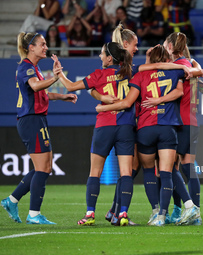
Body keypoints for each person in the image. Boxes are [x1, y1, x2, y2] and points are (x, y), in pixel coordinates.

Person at [95, 45, 186, 226]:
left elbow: (128, 102)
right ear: (166, 59)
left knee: (147, 171)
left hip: (145, 128)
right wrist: (190, 68)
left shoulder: (138, 75)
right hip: (168, 127)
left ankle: (150, 210)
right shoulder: (176, 72)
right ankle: (162, 214)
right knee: (167, 173)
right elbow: (180, 90)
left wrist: (103, 105)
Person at [53, 42, 135, 226]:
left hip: (104, 125)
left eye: (101, 53)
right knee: (125, 172)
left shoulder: (99, 74)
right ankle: (123, 214)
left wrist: (58, 74)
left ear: (109, 58)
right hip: (126, 126)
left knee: (95, 172)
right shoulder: (131, 72)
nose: (99, 56)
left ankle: (90, 214)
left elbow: (72, 86)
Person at [1, 32, 77, 225]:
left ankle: (11, 201)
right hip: (31, 120)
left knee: (45, 167)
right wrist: (56, 77)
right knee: (43, 168)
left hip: (37, 119)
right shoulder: (26, 67)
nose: (46, 47)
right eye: (42, 44)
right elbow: (35, 87)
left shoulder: (33, 68)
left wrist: (64, 96)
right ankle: (33, 214)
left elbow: (42, 93)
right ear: (30, 47)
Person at [143, 32, 203, 226]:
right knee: (185, 167)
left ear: (170, 47)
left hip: (182, 121)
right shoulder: (189, 64)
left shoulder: (182, 65)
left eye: (164, 44)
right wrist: (199, 69)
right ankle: (187, 211)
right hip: (191, 120)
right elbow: (199, 74)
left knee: (169, 168)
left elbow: (187, 78)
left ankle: (187, 209)